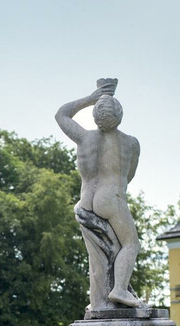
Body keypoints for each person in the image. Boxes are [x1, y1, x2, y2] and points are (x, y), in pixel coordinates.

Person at [55, 79, 146, 309]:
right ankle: (119, 290)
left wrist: (90, 98)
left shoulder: (84, 138)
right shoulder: (131, 143)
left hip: (86, 201)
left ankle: (99, 300)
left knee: (98, 257)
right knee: (131, 245)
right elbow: (129, 176)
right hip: (111, 199)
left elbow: (61, 114)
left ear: (95, 115)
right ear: (120, 115)